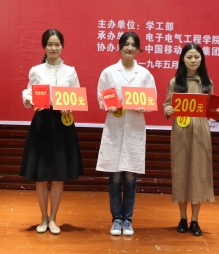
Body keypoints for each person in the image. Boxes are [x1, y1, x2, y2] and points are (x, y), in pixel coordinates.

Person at [20, 29, 84, 235]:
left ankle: (54, 218)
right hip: (42, 123)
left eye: (57, 44)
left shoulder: (70, 71)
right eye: (50, 44)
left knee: (58, 174)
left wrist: (69, 106)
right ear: (44, 46)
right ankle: (43, 218)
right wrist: (29, 100)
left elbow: (76, 96)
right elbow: (28, 92)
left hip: (63, 124)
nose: (53, 48)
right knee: (40, 175)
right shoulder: (36, 70)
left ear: (62, 46)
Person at [163, 43, 219, 236]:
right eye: (189, 57)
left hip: (200, 130)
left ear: (202, 59)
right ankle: (183, 218)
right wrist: (168, 110)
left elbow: (212, 110)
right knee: (181, 171)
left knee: (199, 172)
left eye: (196, 57)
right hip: (181, 129)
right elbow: (167, 106)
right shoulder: (175, 82)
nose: (193, 60)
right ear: (183, 59)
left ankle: (195, 220)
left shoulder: (207, 82)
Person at [96, 32, 156, 236]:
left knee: (130, 177)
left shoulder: (144, 74)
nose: (129, 48)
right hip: (115, 125)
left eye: (133, 45)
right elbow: (101, 97)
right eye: (126, 44)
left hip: (134, 127)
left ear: (138, 49)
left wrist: (144, 107)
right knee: (114, 176)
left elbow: (151, 99)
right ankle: (116, 219)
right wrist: (108, 105)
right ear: (119, 47)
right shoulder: (109, 72)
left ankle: (127, 220)